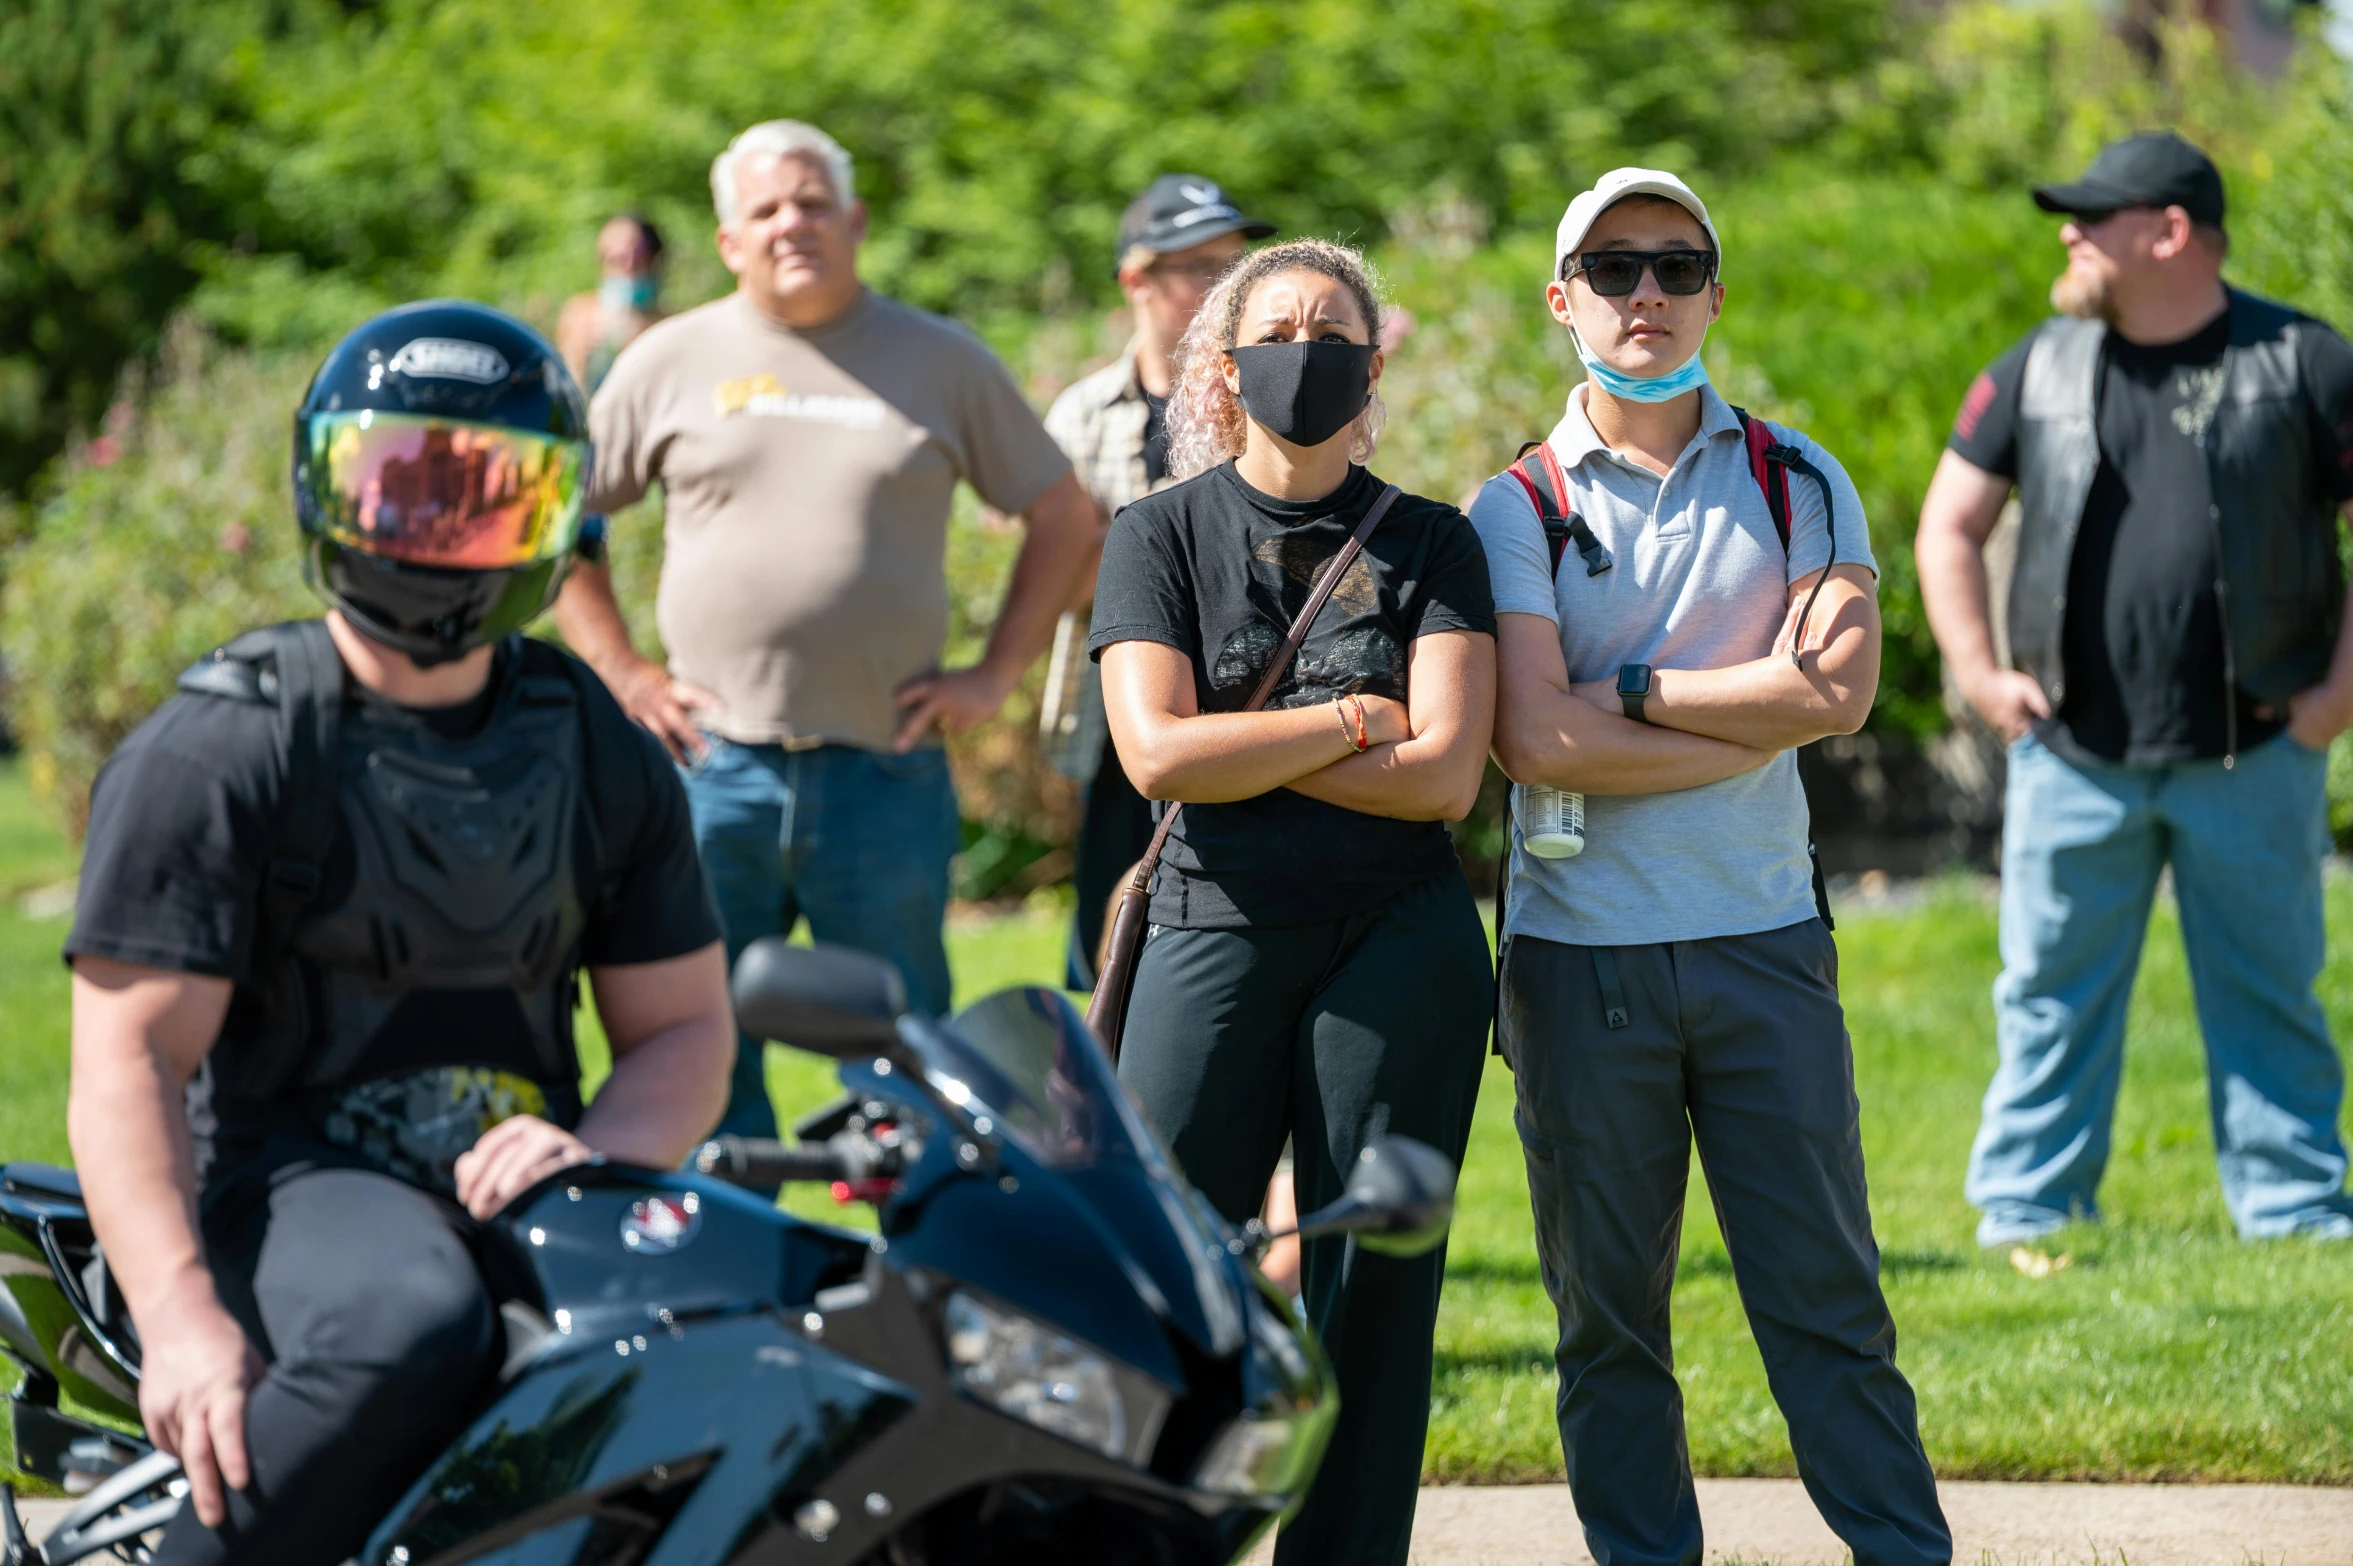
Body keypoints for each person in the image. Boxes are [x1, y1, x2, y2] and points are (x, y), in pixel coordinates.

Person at [62, 301, 734, 1566]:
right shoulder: (226, 746)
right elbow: (124, 1067)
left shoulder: (592, 740)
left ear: (552, 518)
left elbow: (688, 1029)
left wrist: (594, 1151)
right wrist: (185, 1319)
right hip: (281, 1174)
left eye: (484, 497)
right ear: (329, 491)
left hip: (527, 1171)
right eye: (399, 489)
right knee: (408, 1324)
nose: (436, 532)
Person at [1469, 169, 1951, 1566]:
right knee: (1609, 1318)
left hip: (1764, 942)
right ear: (1560, 298)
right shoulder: (1513, 505)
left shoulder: (1796, 477)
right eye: (1611, 269)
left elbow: (1839, 694)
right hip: (1577, 962)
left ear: (1714, 294)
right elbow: (1528, 736)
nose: (1646, 295)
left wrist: (1628, 694)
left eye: (1676, 265)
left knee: (1827, 1298)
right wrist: (1746, 708)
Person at [554, 120, 1095, 1141]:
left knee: (912, 1056)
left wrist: (993, 673)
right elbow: (563, 525)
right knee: (694, 1049)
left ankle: (928, 1276)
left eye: (811, 202)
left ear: (855, 220)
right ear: (727, 242)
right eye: (764, 209)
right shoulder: (668, 360)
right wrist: (623, 671)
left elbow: (1063, 516)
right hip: (710, 772)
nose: (790, 223)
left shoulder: (940, 361)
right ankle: (725, 1278)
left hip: (880, 778)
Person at [1091, 237, 1496, 1566]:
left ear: (1373, 367)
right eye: (1279, 330)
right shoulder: (1158, 534)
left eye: (1336, 333)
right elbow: (1155, 754)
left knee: (1370, 1290)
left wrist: (1253, 750)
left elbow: (1440, 776)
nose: (1306, 353)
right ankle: (1146, 1539)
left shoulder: (1434, 541)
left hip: (1402, 943)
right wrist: (1347, 719)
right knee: (1163, 1272)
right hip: (1210, 927)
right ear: (1225, 365)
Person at [1916, 132, 2353, 1245]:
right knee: (2047, 997)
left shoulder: (2306, 361)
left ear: (2166, 233)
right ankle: (2027, 1210)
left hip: (2255, 748)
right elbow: (1948, 527)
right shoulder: (2035, 367)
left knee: (2269, 994)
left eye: (2091, 215)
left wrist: (2332, 701)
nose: (2067, 231)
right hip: (2072, 757)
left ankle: (2296, 1211)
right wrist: (1976, 674)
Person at [1041, 173, 1273, 989]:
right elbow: (1051, 580)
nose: (1226, 288)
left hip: (1247, 706)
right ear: (1134, 279)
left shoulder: (1267, 404)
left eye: (1235, 267)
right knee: (1113, 952)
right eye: (1200, 269)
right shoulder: (1080, 414)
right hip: (1116, 724)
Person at [556, 211, 668, 394]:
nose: (627, 269)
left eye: (637, 258)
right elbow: (564, 387)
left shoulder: (667, 325)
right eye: (616, 259)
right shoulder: (578, 314)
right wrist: (580, 356)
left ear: (654, 261)